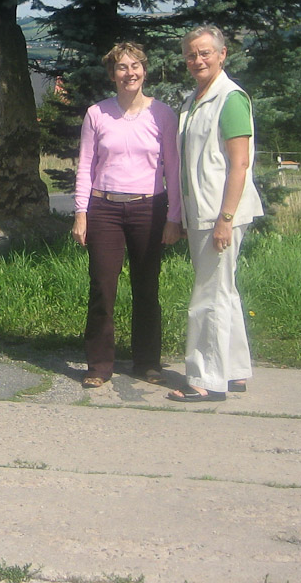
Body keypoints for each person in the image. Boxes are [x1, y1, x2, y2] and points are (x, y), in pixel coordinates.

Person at [72, 42, 182, 388]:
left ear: (144, 71)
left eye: (135, 66)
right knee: (102, 288)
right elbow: (86, 166)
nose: (129, 73)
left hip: (149, 208)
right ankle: (99, 365)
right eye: (122, 67)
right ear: (112, 74)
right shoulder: (97, 114)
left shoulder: (162, 114)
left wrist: (174, 217)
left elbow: (173, 169)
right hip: (104, 208)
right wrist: (81, 213)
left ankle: (147, 362)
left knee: (146, 287)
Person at [167, 24, 263, 403]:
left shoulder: (230, 98)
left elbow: (240, 164)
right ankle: (234, 371)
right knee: (223, 290)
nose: (198, 60)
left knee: (208, 296)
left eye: (205, 52)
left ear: (222, 55)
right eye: (191, 54)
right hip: (202, 213)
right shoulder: (194, 100)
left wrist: (225, 219)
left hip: (219, 215)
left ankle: (205, 380)